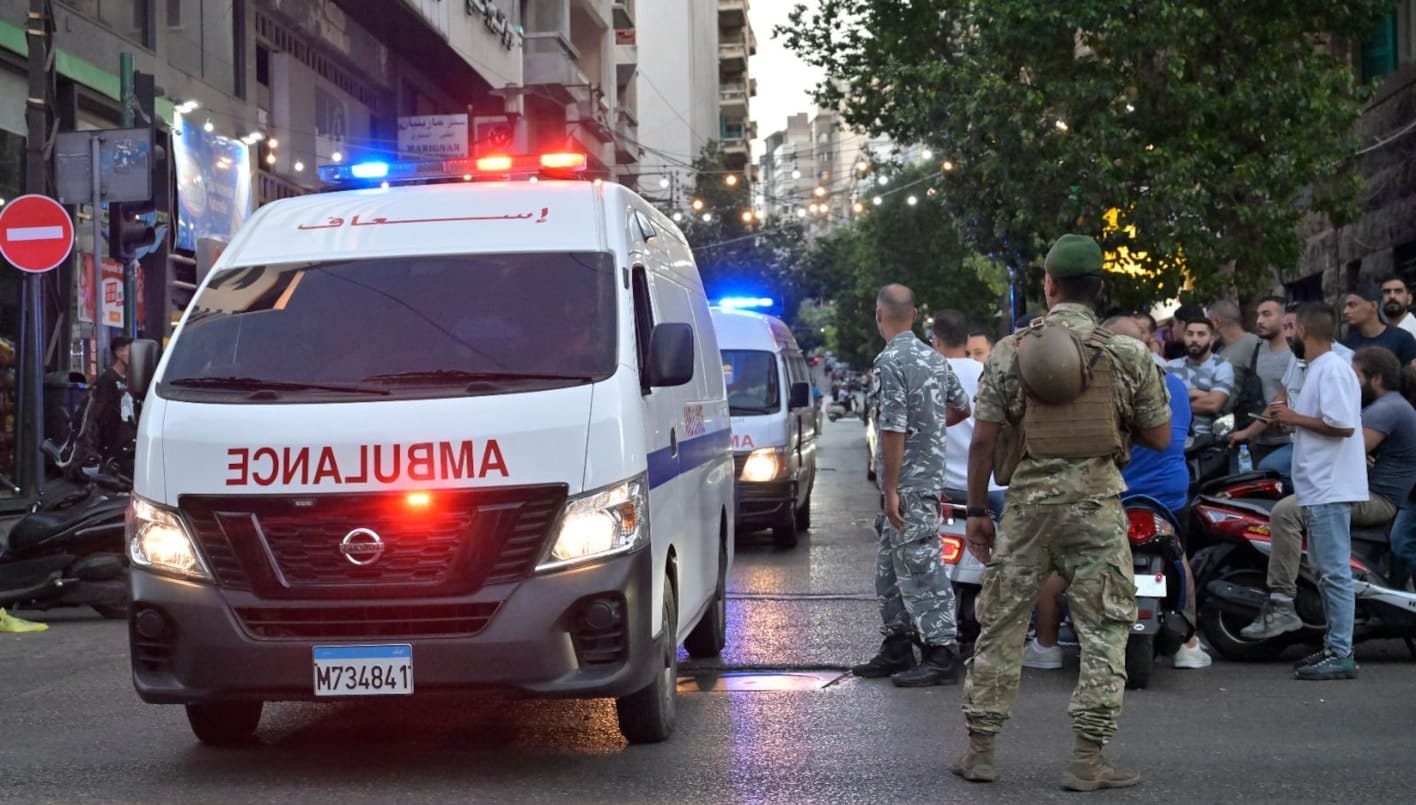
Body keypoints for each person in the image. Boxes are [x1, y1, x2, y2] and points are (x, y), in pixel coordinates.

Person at [955, 235, 1170, 790]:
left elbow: (983, 442)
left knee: (1001, 623)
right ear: (1099, 289)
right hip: (1096, 509)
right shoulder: (1128, 353)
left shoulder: (1009, 350)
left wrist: (977, 510)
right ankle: (1087, 760)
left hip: (1027, 510)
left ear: (1048, 285)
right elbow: (1160, 436)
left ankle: (980, 752)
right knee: (1104, 628)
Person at [1023, 316, 1210, 672]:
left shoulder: (1094, 387)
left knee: (1060, 563)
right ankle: (1189, 645)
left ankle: (1046, 646)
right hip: (1168, 496)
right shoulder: (1174, 384)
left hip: (1110, 493)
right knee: (1177, 555)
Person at [1242, 345, 1416, 654]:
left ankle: (1282, 601)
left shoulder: (1386, 409)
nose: (1352, 381)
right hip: (1362, 490)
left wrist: (1297, 419)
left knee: (1285, 512)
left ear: (1376, 379)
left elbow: (1348, 447)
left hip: (1374, 499)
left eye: (1357, 376)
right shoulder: (1386, 406)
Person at [850, 284, 971, 687]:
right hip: (923, 477)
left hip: (908, 484)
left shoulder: (890, 361)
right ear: (915, 316)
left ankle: (942, 652)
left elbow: (893, 427)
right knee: (889, 566)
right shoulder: (934, 358)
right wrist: (930, 429)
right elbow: (962, 407)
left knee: (921, 566)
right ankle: (898, 644)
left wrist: (890, 488)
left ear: (878, 315)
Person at [1242, 304, 1367, 681]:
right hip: (1318, 486)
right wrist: (1291, 420)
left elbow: (1342, 426)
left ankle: (1341, 652)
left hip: (1330, 486)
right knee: (1325, 573)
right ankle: (1333, 646)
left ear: (1305, 332)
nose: (1288, 336)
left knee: (1333, 573)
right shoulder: (1315, 369)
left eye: (1292, 330)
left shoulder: (1332, 369)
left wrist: (1294, 418)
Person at [930, 310, 1006, 515]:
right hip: (992, 486)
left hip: (942, 489)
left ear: (936, 341)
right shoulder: (989, 373)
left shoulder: (924, 377)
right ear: (966, 340)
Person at [1228, 297, 1295, 473]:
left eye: (1266, 314)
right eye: (1258, 315)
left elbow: (1280, 398)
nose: (1259, 321)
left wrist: (1249, 432)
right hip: (1259, 442)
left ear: (1284, 318)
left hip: (1288, 440)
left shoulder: (1294, 354)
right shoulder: (1258, 348)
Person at [1166, 309, 1234, 438]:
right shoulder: (1170, 367)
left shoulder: (1222, 366)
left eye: (1201, 334)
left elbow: (1213, 404)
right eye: (1190, 334)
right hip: (1174, 437)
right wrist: (1196, 394)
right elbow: (1158, 403)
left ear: (1212, 338)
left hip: (1208, 440)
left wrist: (1177, 401)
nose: (1194, 339)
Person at [77, 336, 136, 473]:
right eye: (130, 351)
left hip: (128, 439)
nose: (134, 357)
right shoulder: (107, 379)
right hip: (113, 443)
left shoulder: (130, 379)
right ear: (119, 353)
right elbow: (98, 412)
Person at [1342, 283, 1416, 365]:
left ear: (1373, 306)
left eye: (1352, 305)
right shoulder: (1348, 343)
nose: (1346, 311)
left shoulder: (1403, 339)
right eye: (1346, 306)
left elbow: (1410, 372)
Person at [1209, 300, 1260, 410]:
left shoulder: (1252, 343)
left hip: (1243, 416)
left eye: (1208, 322)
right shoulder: (1219, 349)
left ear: (1216, 322)